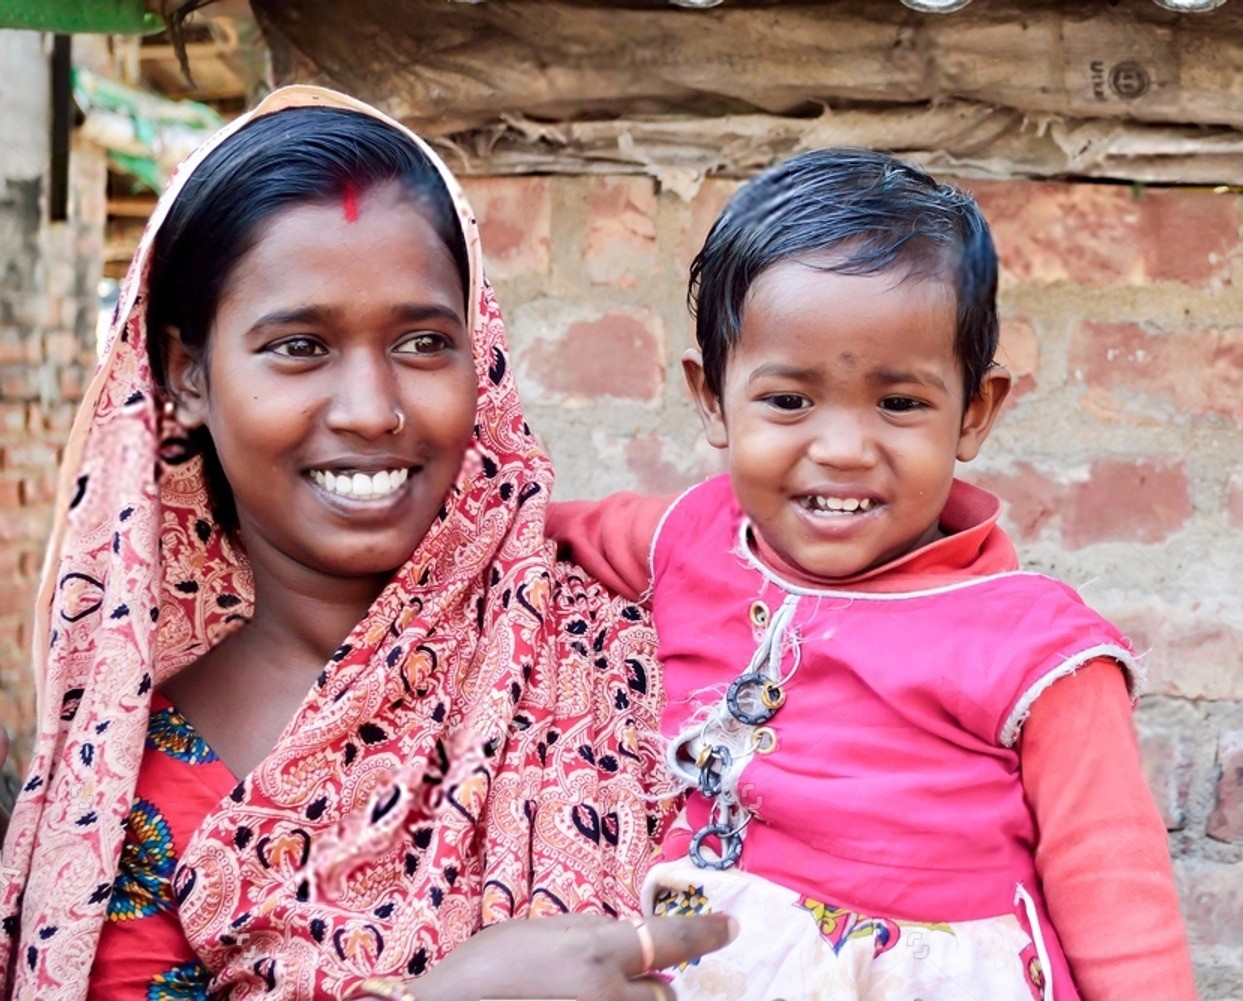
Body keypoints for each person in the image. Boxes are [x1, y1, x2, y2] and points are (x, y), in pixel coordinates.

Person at [0, 87, 731, 1001]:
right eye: (300, 346)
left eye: (423, 341)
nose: (372, 409)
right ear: (185, 377)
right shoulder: (128, 797)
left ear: (484, 357)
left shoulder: (628, 651)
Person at [547, 148, 1198, 1000]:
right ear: (712, 399)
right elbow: (515, 531)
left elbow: (1118, 900)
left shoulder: (1038, 649)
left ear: (976, 411)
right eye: (789, 400)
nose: (845, 449)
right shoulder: (691, 536)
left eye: (899, 403)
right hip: (707, 966)